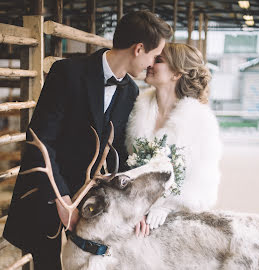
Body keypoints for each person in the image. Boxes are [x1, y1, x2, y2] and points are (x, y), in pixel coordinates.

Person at [3, 11, 172, 270]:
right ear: (139, 49)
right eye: (153, 55)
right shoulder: (67, 73)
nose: (151, 64)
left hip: (93, 205)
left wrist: (135, 207)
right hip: (48, 194)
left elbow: (118, 154)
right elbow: (41, 139)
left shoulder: (131, 91)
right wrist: (62, 200)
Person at [125, 43, 222, 236]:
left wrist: (167, 206)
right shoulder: (137, 107)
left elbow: (204, 180)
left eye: (158, 60)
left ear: (176, 74)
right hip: (133, 214)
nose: (150, 63)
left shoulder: (201, 120)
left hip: (177, 220)